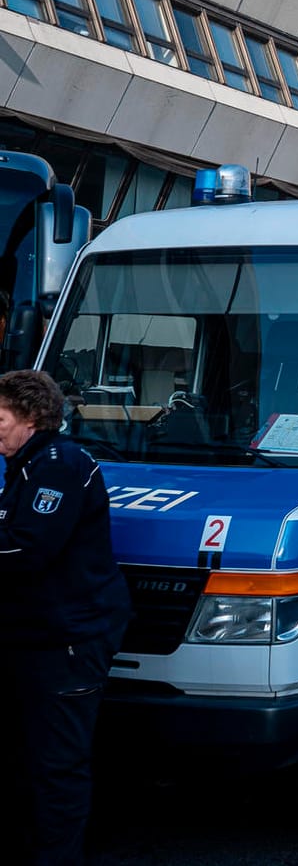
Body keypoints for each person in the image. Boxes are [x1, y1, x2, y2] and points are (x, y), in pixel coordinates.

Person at [0, 369, 131, 866]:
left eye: (0, 417)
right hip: (36, 636)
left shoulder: (59, 464)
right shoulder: (25, 465)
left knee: (57, 765)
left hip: (69, 640)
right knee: (27, 758)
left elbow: (27, 548)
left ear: (31, 418)